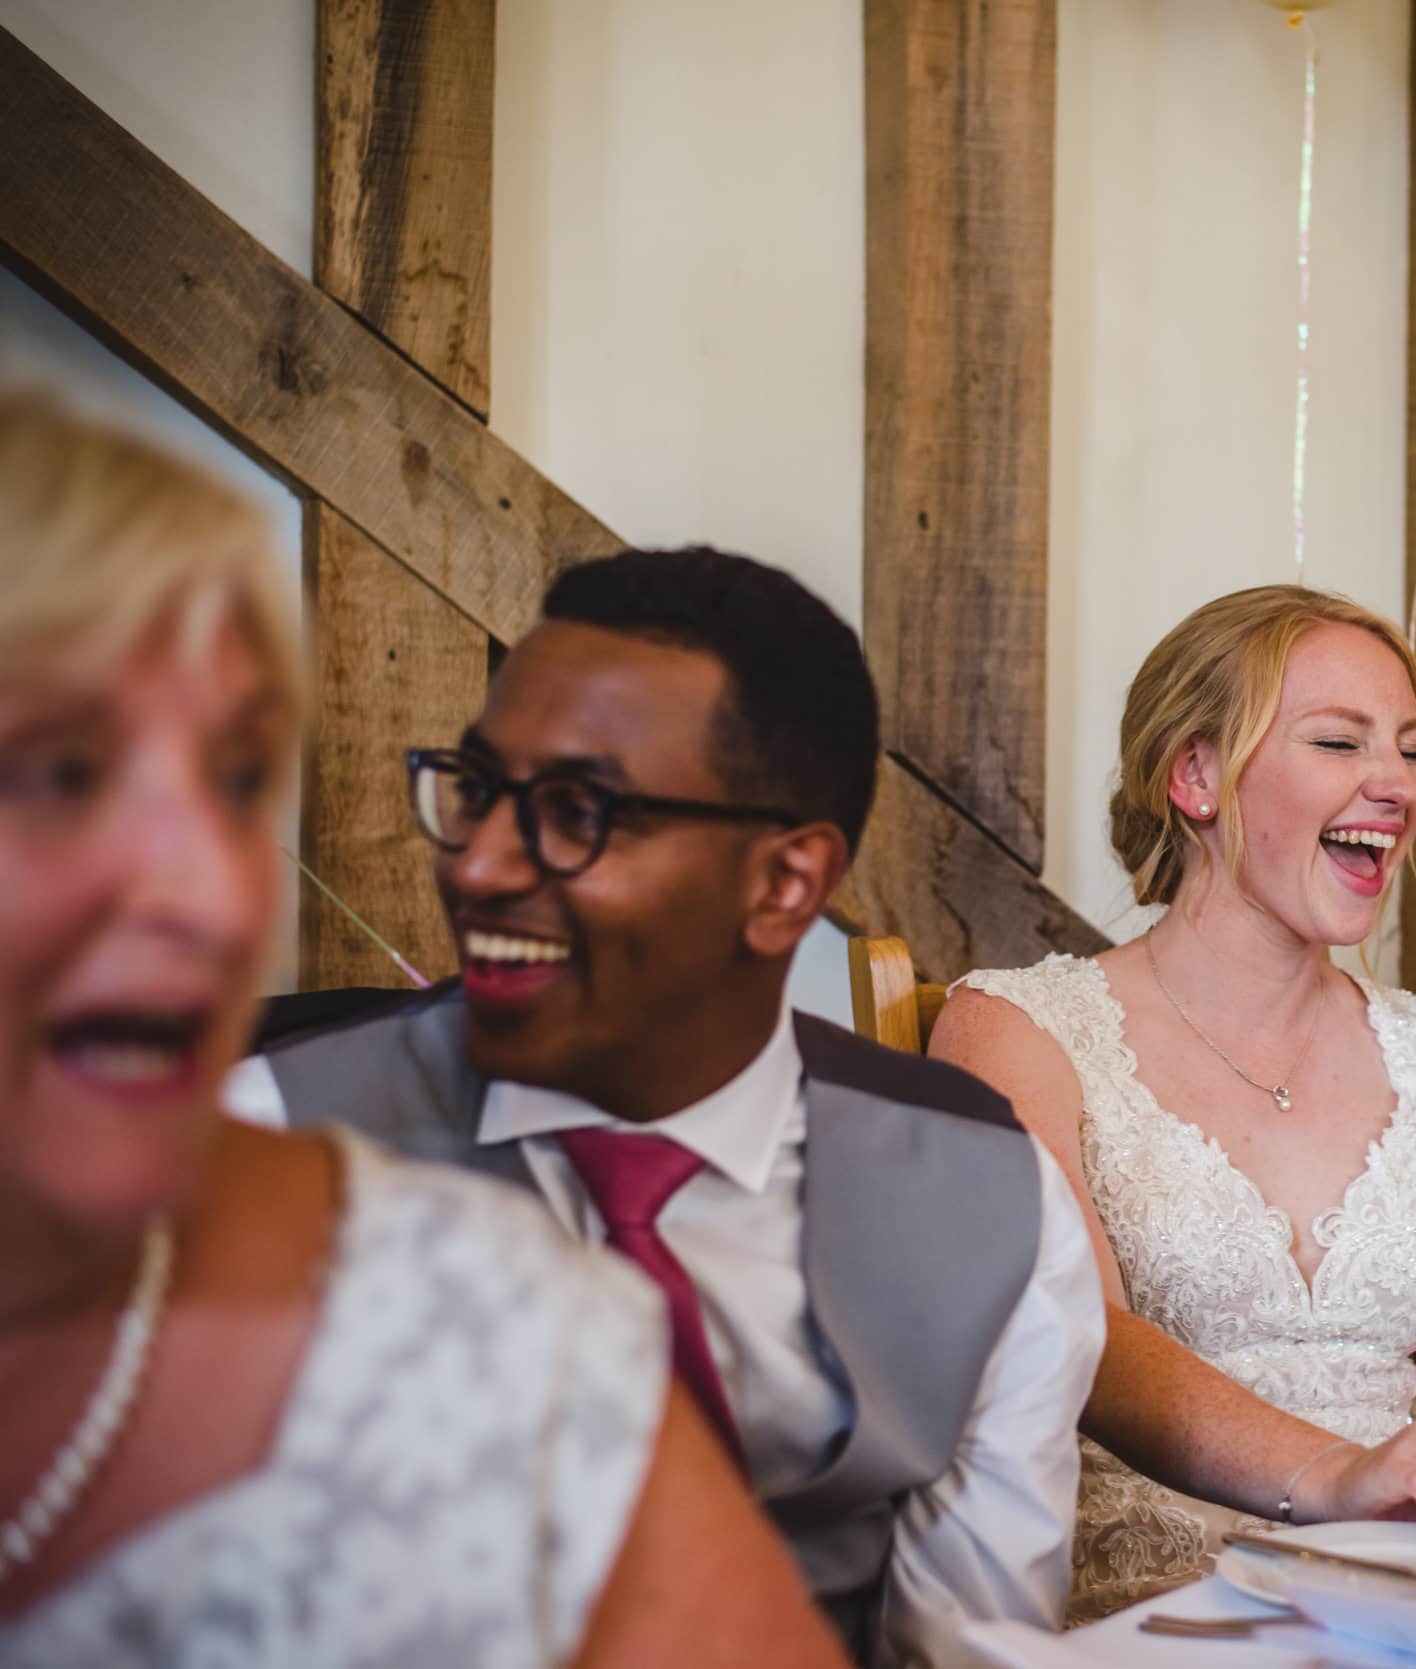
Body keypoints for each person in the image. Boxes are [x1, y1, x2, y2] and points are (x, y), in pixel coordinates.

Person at [0, 396, 846, 1667]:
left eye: (238, 782)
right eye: (64, 773)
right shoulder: (301, 1104)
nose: (219, 894)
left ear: (789, 884)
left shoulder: (491, 1326)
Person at [222, 548, 1104, 1667]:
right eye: (480, 790)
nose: (480, 866)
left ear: (784, 883)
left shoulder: (988, 1203)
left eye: (578, 811)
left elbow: (967, 1648)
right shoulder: (259, 1148)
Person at [934, 585, 1416, 1621]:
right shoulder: (1017, 1031)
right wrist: (1342, 1476)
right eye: (1339, 743)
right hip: (1154, 1608)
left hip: (1408, 1604)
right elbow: (1085, 1342)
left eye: (1409, 750)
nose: (1396, 784)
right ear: (1198, 776)